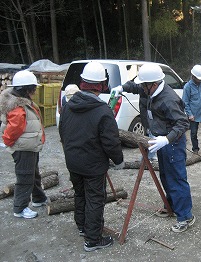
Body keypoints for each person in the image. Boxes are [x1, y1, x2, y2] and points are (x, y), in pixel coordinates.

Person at [112, 63, 195, 233]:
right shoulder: (148, 88)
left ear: (154, 84)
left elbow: (183, 123)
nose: (142, 87)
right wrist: (121, 87)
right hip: (160, 139)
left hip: (172, 142)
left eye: (144, 85)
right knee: (165, 176)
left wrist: (167, 139)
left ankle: (185, 216)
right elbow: (135, 87)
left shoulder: (168, 99)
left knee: (177, 179)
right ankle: (172, 206)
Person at [59, 61, 124, 251]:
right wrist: (118, 160)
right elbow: (111, 141)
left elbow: (63, 132)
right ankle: (93, 240)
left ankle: (82, 226)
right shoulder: (102, 110)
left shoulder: (69, 106)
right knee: (95, 199)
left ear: (83, 82)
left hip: (73, 162)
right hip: (93, 166)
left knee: (80, 194)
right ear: (101, 85)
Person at [0, 70, 48, 219]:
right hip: (24, 148)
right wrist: (8, 142)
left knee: (33, 174)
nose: (34, 92)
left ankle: (39, 198)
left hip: (29, 146)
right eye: (33, 89)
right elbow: (13, 130)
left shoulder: (20, 102)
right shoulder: (18, 107)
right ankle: (20, 208)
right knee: (25, 177)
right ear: (26, 89)